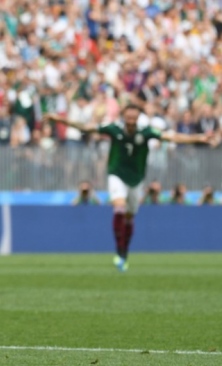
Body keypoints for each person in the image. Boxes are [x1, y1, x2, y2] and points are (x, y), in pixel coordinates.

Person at [45, 104, 212, 272]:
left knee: (130, 217)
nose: (131, 121)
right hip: (116, 174)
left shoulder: (146, 132)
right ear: (123, 116)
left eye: (134, 118)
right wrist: (61, 120)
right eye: (128, 117)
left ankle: (124, 252)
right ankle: (119, 250)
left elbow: (172, 137)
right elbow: (87, 127)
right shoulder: (114, 129)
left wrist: (198, 138)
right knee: (119, 207)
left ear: (138, 118)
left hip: (136, 179)